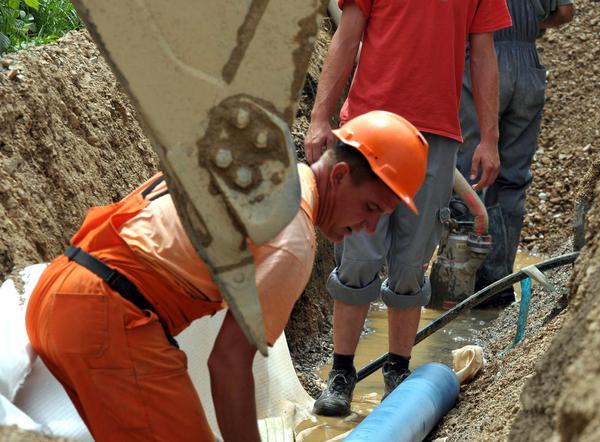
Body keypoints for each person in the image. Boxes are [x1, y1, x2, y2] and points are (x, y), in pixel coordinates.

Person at [25, 110, 429, 442]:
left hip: (58, 293)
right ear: (338, 175)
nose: (370, 227)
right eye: (371, 207)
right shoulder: (292, 236)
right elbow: (228, 364)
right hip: (108, 320)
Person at [305, 0, 512, 417]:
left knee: (411, 262)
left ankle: (397, 371)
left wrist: (489, 138)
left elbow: (484, 53)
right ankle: (341, 374)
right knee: (359, 257)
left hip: (436, 134)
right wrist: (319, 117)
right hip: (369, 128)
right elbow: (347, 35)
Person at [455, 0, 575, 304]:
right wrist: (531, 23)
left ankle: (458, 284)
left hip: (480, 59)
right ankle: (496, 285)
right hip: (527, 66)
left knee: (466, 173)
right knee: (512, 179)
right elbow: (565, 12)